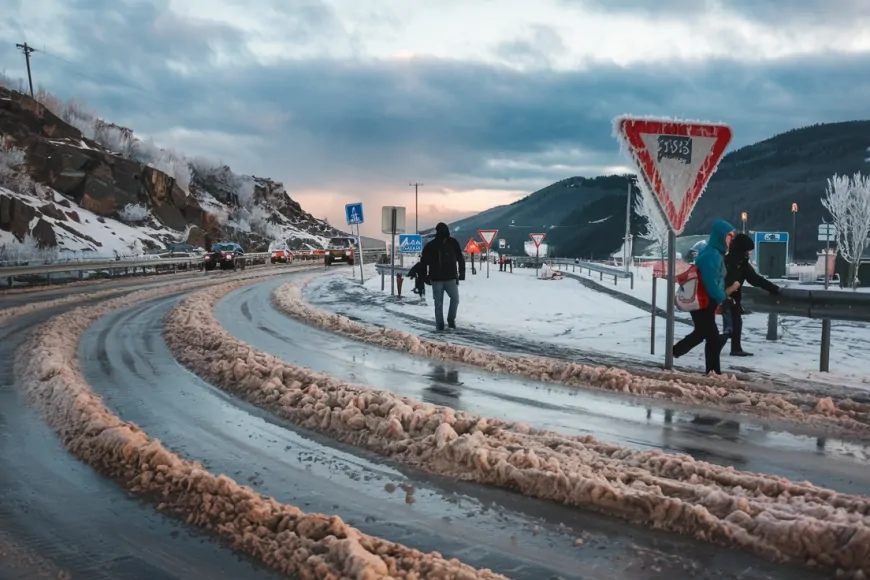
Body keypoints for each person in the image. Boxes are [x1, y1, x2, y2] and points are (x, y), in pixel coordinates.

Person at [673, 219, 739, 375]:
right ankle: (713, 372)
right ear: (720, 237)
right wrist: (723, 298)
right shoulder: (711, 255)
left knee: (704, 334)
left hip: (705, 301)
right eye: (729, 236)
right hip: (702, 300)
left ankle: (676, 353)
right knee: (711, 337)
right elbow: (710, 283)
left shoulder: (715, 254)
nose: (731, 239)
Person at [723, 233, 780, 356]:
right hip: (728, 296)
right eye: (749, 250)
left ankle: (734, 348)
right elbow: (754, 279)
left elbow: (753, 278)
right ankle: (724, 348)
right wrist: (773, 288)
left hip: (728, 296)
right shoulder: (740, 262)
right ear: (743, 249)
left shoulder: (731, 259)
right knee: (731, 325)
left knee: (733, 324)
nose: (750, 253)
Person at [420, 222, 465, 331]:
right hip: (445, 278)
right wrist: (461, 273)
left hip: (440, 279)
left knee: (440, 304)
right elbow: (460, 258)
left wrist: (425, 276)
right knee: (453, 299)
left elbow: (423, 262)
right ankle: (448, 322)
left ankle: (443, 325)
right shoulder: (450, 243)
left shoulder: (431, 245)